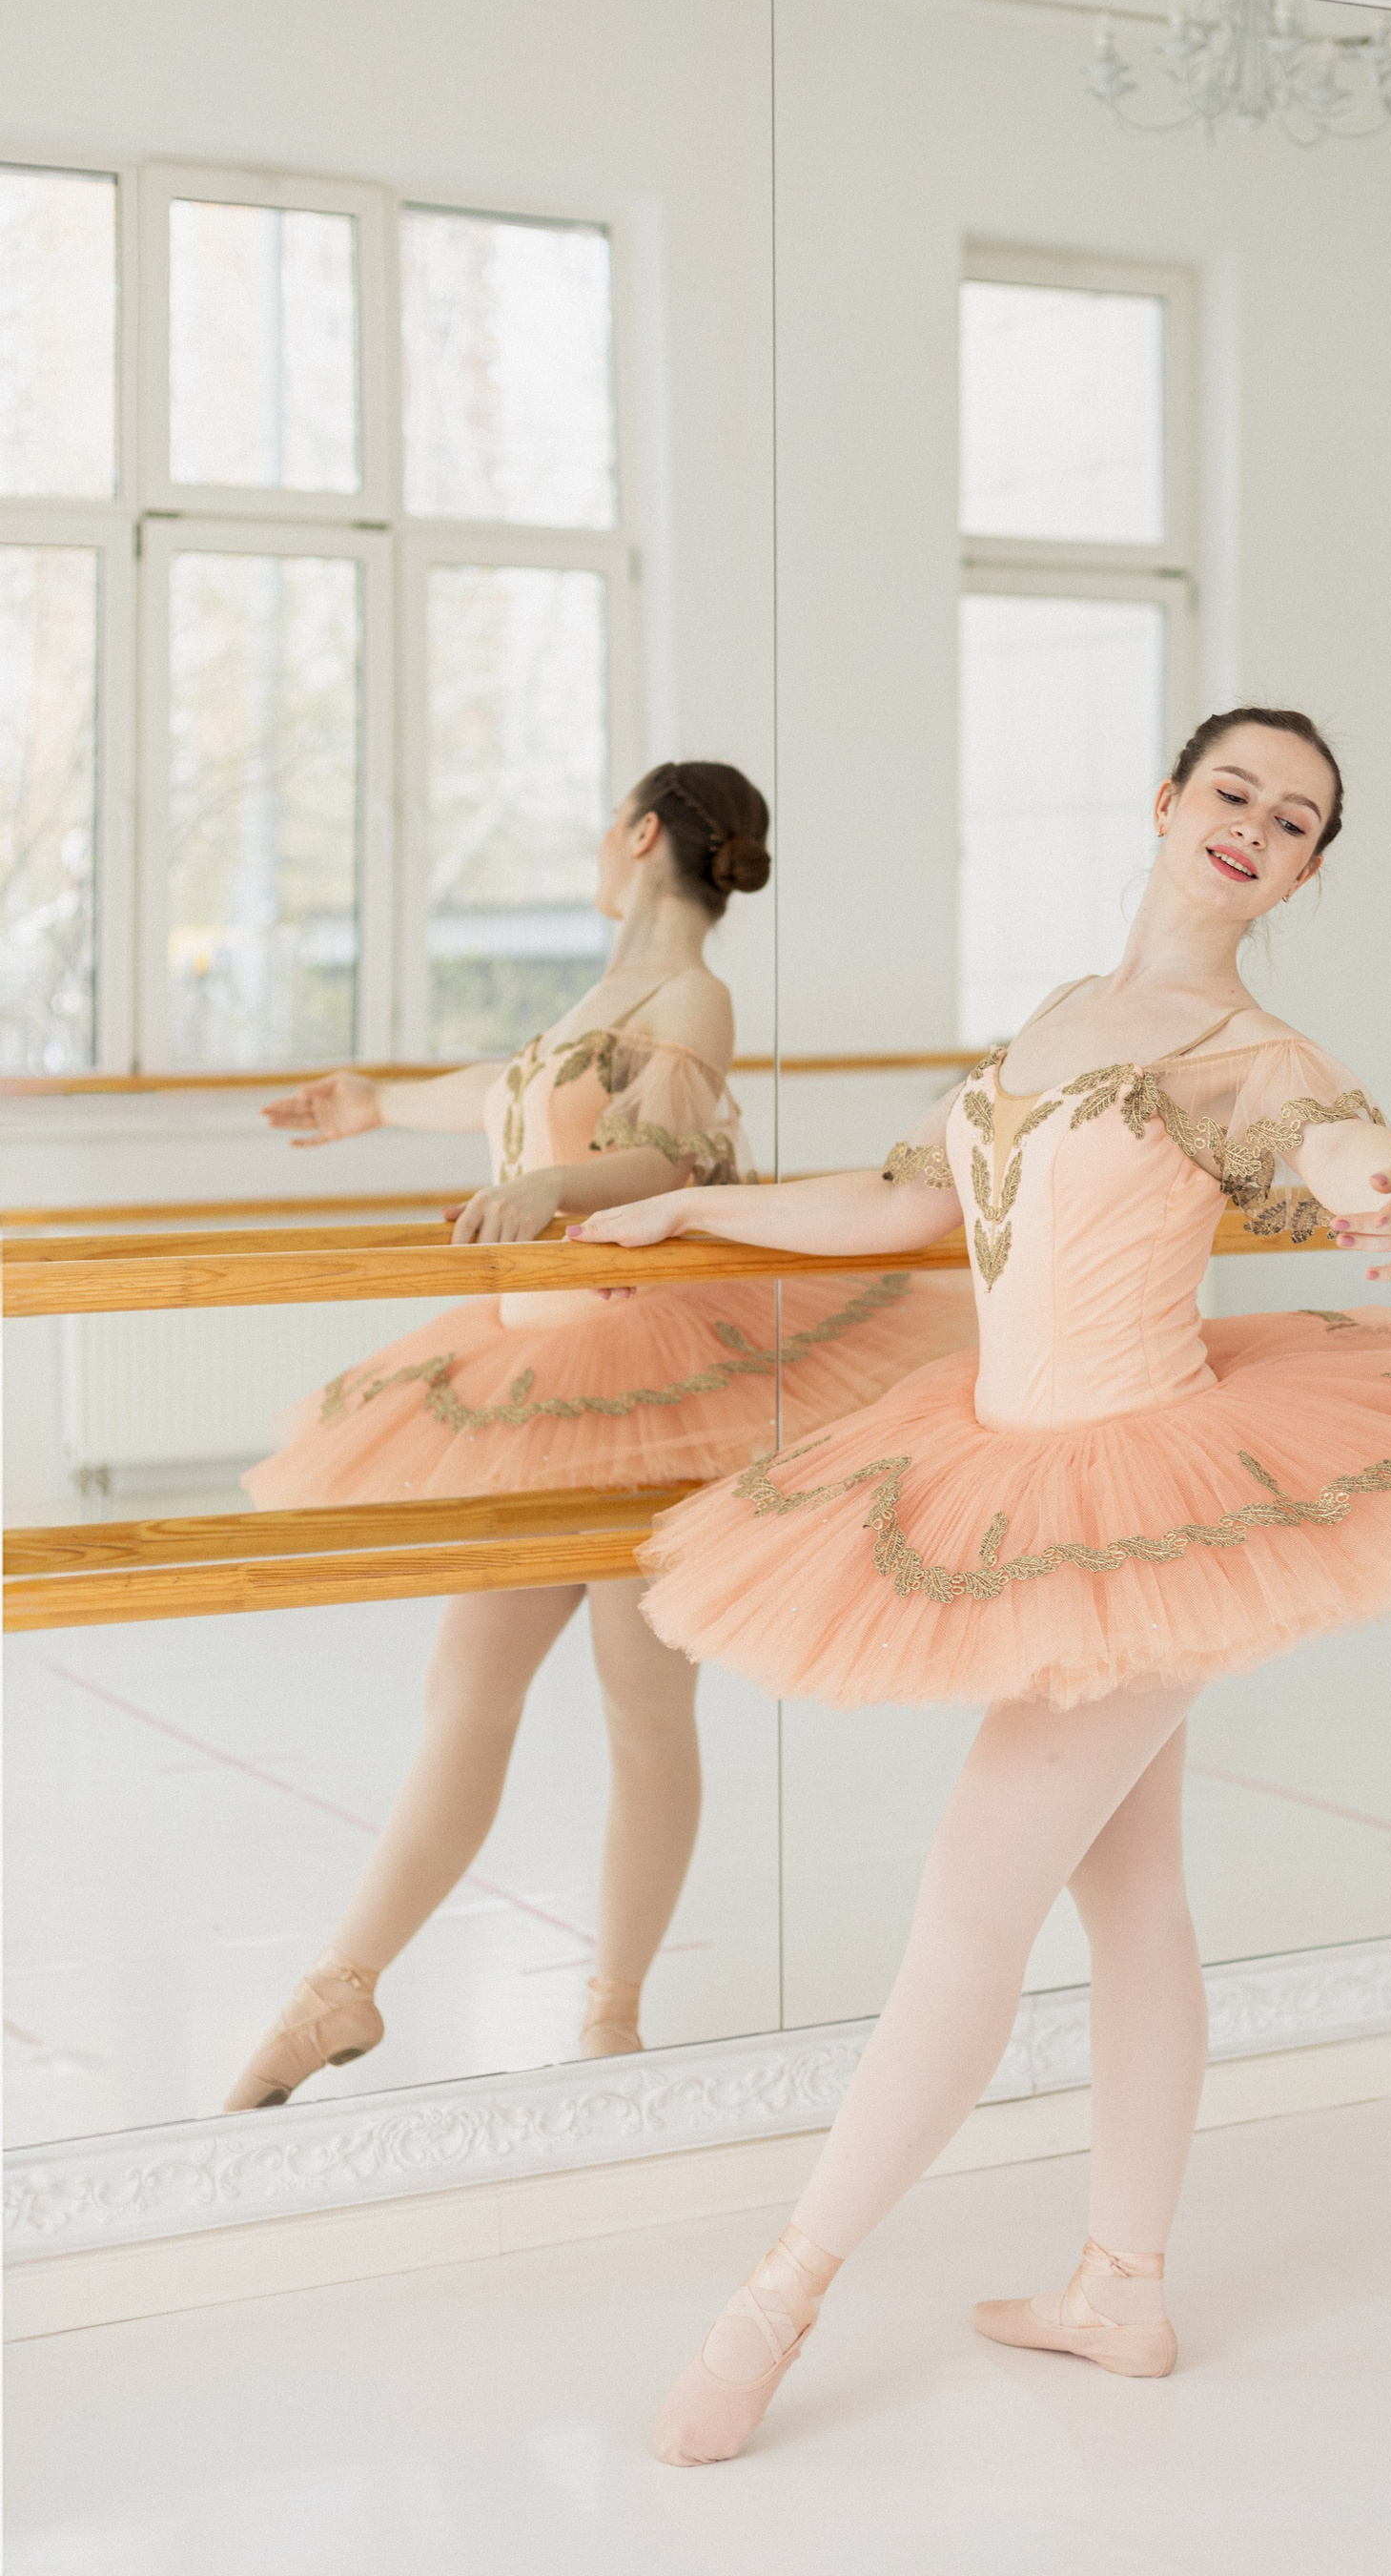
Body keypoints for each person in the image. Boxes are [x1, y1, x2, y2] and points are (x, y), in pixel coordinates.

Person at [568, 709, 1391, 2464]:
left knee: (968, 1911)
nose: (1257, 825)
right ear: (1169, 801)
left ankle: (777, 2301)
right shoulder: (1060, 1016)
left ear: (1304, 871)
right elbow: (904, 1206)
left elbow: (1353, 1151)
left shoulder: (1250, 1050)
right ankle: (1121, 2288)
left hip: (1151, 1496)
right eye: (1235, 792)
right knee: (1135, 1900)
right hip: (1021, 1476)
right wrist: (681, 1218)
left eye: (1297, 821)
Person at [223, 761, 972, 2112]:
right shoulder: (598, 1002)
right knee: (467, 1689)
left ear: (638, 834)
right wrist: (378, 1102)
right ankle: (343, 1984)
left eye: (602, 826)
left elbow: (666, 1162)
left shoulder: (693, 996)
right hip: (535, 1386)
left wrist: (555, 1185)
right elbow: (513, 1087)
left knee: (642, 1704)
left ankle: (611, 2012)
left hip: (650, 1379)